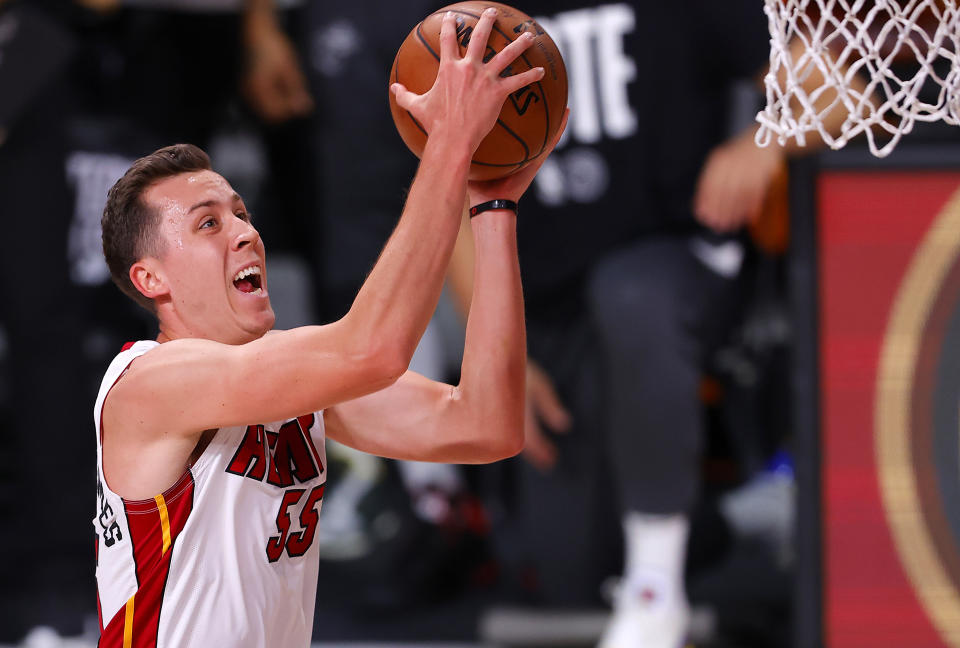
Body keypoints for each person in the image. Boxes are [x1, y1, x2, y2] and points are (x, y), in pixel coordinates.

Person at [92, 11, 562, 645]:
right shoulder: (148, 383)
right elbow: (374, 348)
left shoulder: (292, 383)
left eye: (241, 212)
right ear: (151, 280)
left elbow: (485, 425)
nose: (244, 232)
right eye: (208, 224)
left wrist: (493, 207)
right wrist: (449, 142)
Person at [447, 2, 785, 646]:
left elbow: (839, 91)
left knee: (629, 292)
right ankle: (711, 525)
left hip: (678, 267)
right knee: (566, 574)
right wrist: (493, 358)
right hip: (552, 309)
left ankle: (656, 589)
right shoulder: (476, 19)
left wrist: (761, 142)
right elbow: (451, 186)